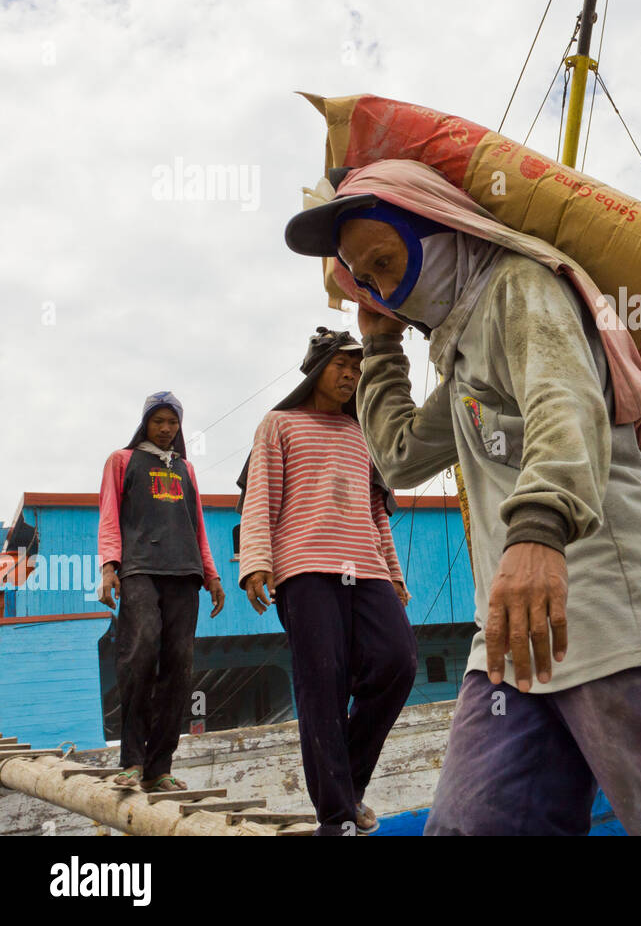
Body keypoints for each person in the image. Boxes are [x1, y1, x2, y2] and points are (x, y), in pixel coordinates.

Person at [283, 159, 641, 836]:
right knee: (468, 827)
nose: (384, 285)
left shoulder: (520, 287)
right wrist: (381, 348)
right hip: (511, 641)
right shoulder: (462, 353)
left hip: (603, 609)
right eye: (367, 278)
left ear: (438, 229)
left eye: (386, 259)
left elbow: (565, 402)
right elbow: (400, 456)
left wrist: (536, 531)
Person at [236, 327, 416, 836]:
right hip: (305, 569)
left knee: (398, 662)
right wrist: (255, 560)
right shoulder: (279, 424)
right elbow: (261, 497)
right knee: (322, 688)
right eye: (343, 365)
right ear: (317, 368)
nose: (352, 376)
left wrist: (395, 576)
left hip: (367, 569)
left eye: (358, 369)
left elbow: (378, 513)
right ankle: (336, 818)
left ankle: (347, 787)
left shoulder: (366, 434)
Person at [97, 391, 224, 792]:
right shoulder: (121, 460)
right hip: (138, 570)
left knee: (179, 663)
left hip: (184, 572)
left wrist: (212, 574)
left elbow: (197, 525)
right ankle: (132, 762)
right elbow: (109, 515)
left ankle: (160, 767)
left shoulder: (186, 468)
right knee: (141, 651)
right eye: (159, 421)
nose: (167, 429)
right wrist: (108, 566)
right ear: (145, 423)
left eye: (173, 422)